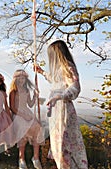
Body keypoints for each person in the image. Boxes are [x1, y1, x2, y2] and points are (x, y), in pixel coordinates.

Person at [33, 40, 88, 169]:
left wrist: (60, 96)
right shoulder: (59, 69)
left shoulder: (68, 67)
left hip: (63, 108)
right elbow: (55, 80)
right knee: (57, 141)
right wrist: (41, 72)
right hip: (55, 109)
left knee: (64, 140)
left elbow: (75, 87)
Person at [9, 69, 45, 169]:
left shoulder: (27, 90)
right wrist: (23, 116)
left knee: (37, 127)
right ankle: (21, 158)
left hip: (26, 111)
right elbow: (12, 107)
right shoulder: (13, 91)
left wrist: (35, 96)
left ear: (26, 79)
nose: (21, 80)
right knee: (23, 129)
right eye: (19, 78)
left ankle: (36, 157)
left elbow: (30, 104)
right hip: (17, 114)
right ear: (15, 79)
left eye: (23, 78)